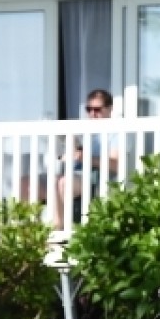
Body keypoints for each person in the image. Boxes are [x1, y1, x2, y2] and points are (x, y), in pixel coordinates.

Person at [52, 88, 122, 229]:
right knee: (27, 183)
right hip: (76, 173)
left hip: (96, 179)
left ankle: (61, 229)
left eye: (97, 109)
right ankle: (29, 231)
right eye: (88, 109)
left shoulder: (117, 131)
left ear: (109, 109)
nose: (92, 114)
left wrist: (84, 157)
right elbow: (75, 154)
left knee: (63, 183)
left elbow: (116, 165)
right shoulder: (85, 129)